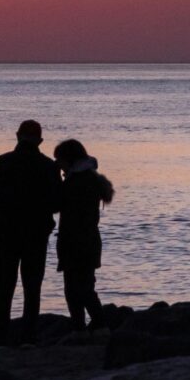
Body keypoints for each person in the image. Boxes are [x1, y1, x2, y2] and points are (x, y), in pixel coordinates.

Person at [0, 119, 64, 341]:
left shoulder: (2, 162)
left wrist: (4, 210)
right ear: (40, 140)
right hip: (36, 234)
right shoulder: (49, 166)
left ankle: (0, 333)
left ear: (17, 136)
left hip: (6, 231)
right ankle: (28, 335)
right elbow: (58, 203)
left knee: (4, 284)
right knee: (32, 285)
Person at [53, 138, 115, 329]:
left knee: (77, 290)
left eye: (60, 159)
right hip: (87, 242)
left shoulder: (76, 182)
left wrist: (56, 181)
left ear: (69, 159)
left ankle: (90, 325)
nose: (58, 164)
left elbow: (58, 204)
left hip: (77, 243)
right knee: (83, 288)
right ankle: (92, 325)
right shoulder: (87, 179)